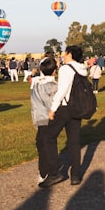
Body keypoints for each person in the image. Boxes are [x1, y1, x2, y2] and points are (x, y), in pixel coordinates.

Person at [40, 45, 88, 187]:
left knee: (48, 136)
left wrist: (53, 108)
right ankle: (76, 174)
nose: (63, 55)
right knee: (74, 141)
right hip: (77, 108)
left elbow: (62, 90)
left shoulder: (66, 69)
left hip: (65, 107)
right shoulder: (82, 69)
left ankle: (55, 172)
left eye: (65, 53)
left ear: (70, 54)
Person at [30, 56, 59, 185]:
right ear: (54, 71)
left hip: (39, 118)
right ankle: (49, 171)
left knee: (41, 145)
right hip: (48, 118)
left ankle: (43, 171)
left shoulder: (35, 85)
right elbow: (52, 104)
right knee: (47, 146)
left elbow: (33, 105)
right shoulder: (53, 86)